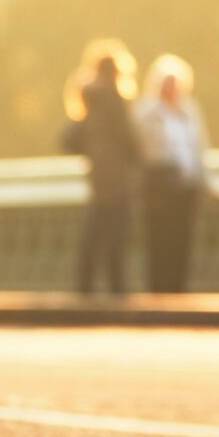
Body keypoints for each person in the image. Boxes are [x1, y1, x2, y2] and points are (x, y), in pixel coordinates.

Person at [62, 41, 140, 297]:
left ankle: (84, 292)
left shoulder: (91, 101)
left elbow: (68, 140)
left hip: (98, 178)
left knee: (93, 238)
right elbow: (131, 144)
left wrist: (94, 149)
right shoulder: (116, 102)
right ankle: (117, 294)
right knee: (116, 241)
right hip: (118, 180)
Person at [134, 55, 212, 294]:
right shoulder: (146, 112)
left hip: (185, 187)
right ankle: (159, 291)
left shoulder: (190, 111)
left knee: (182, 241)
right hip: (159, 187)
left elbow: (200, 148)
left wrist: (206, 180)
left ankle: (178, 290)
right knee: (159, 241)